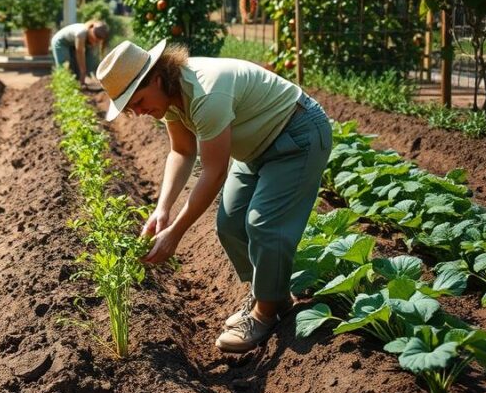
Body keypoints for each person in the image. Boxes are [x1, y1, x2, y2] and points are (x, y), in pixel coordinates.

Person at [95, 40, 332, 353]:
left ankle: (264, 314)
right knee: (230, 224)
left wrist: (174, 235)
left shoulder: (206, 93)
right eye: (130, 108)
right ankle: (273, 296)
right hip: (255, 147)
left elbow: (214, 172)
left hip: (297, 135)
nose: (138, 112)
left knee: (263, 225)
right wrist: (162, 210)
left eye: (137, 101)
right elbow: (181, 151)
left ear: (154, 78)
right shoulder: (171, 95)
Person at [51, 20, 109, 86]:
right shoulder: (81, 33)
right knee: (64, 65)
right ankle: (62, 86)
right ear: (91, 28)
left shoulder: (93, 35)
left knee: (78, 65)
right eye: (95, 39)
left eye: (97, 40)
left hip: (71, 44)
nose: (96, 42)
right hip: (61, 43)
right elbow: (80, 53)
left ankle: (76, 84)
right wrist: (83, 72)